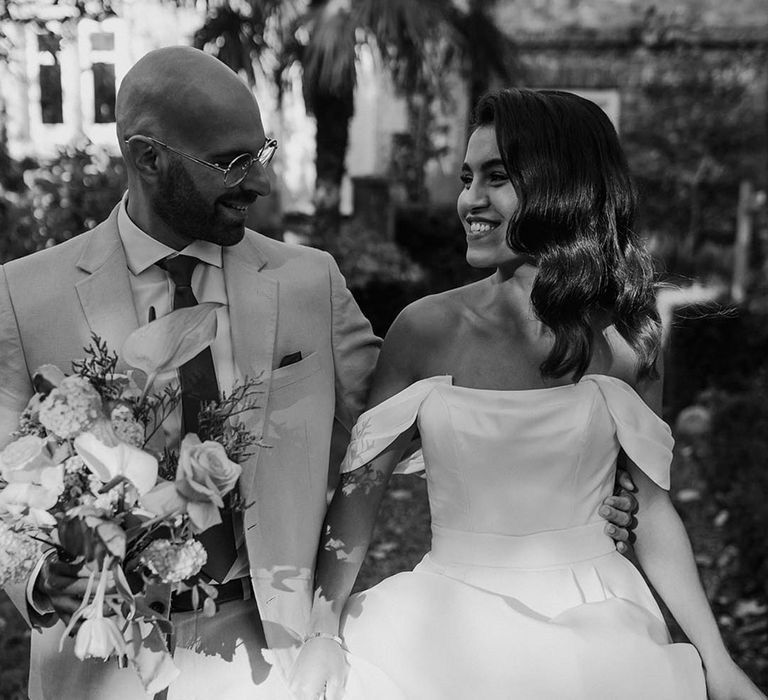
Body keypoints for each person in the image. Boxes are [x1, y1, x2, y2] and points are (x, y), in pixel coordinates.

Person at [0, 52, 635, 698]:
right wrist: (35, 573)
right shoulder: (25, 298)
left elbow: (427, 413)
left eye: (262, 153)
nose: (261, 183)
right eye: (230, 163)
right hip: (100, 657)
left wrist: (578, 484)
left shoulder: (309, 283)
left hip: (270, 653)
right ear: (148, 158)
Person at [289, 88, 766, 700]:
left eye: (497, 178)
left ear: (561, 189)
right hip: (441, 632)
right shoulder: (425, 330)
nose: (469, 200)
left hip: (601, 627)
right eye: (467, 177)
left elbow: (652, 509)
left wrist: (718, 662)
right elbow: (360, 491)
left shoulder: (628, 341)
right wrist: (323, 630)